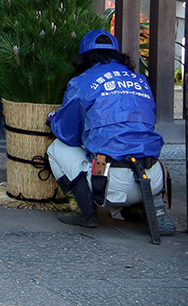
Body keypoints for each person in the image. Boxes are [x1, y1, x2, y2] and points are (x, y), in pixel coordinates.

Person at [47, 30, 175, 240]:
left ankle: (85, 212)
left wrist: (55, 120)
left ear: (84, 57)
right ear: (118, 55)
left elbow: (68, 134)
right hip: (152, 177)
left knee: (57, 148)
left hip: (106, 183)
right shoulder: (140, 81)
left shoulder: (81, 82)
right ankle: (141, 206)